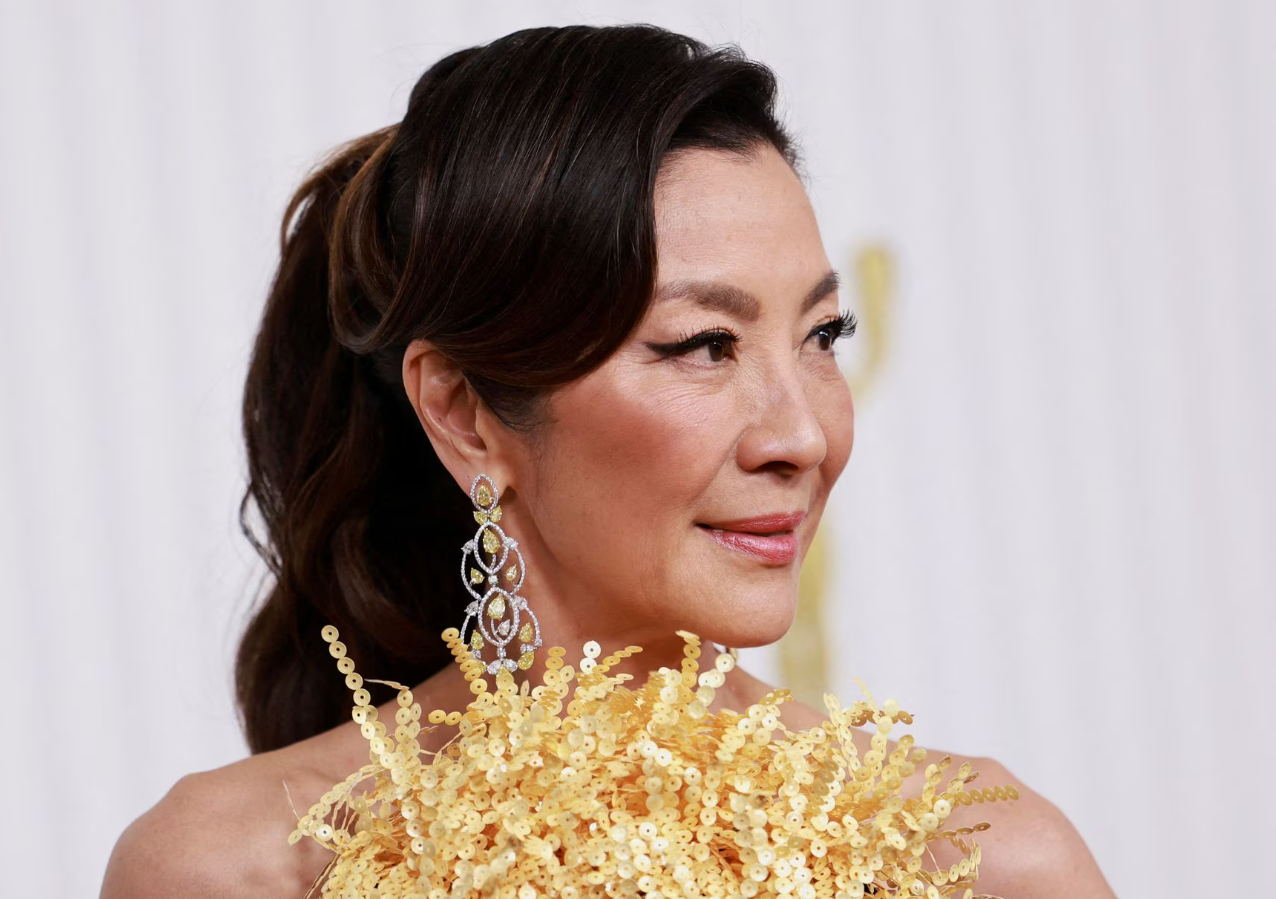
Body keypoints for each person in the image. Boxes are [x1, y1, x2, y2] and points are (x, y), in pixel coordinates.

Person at [100, 23, 1115, 899]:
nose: (802, 435)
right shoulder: (242, 863)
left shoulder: (981, 857)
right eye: (703, 346)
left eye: (821, 334)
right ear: (462, 412)